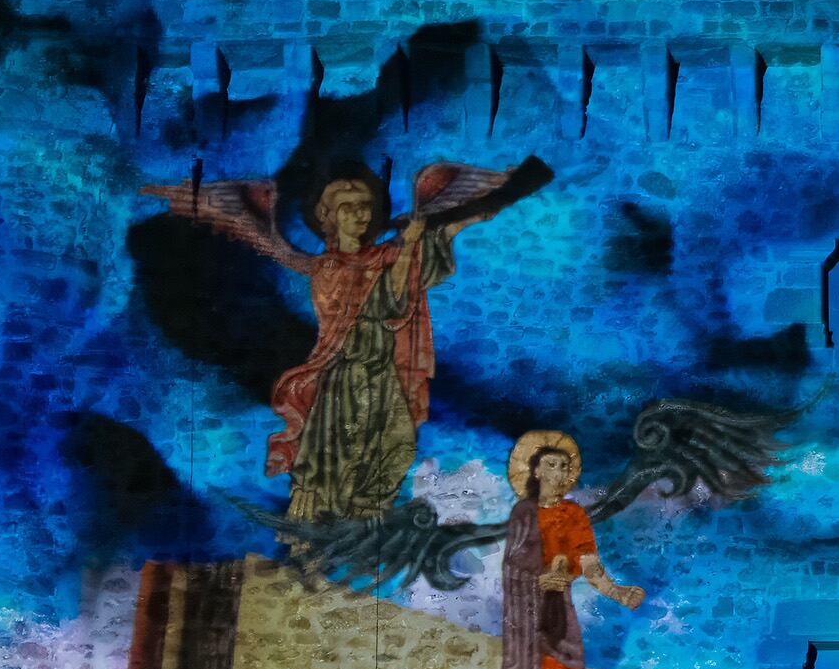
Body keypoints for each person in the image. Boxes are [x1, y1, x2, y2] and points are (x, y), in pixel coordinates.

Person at [138, 159, 549, 521]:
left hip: (384, 374)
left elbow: (429, 252)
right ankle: (326, 522)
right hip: (345, 379)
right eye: (347, 207)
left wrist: (468, 215)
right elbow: (388, 305)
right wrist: (409, 245)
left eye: (364, 205)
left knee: (398, 445)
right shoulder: (329, 268)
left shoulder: (384, 256)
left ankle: (368, 517)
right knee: (340, 456)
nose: (359, 213)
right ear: (327, 217)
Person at [465, 431, 642, 669]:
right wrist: (538, 579)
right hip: (529, 618)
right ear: (536, 471)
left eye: (565, 467)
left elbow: (590, 566)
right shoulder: (524, 513)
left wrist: (618, 592)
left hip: (561, 615)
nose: (560, 473)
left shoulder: (574, 515)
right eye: (552, 465)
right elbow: (512, 568)